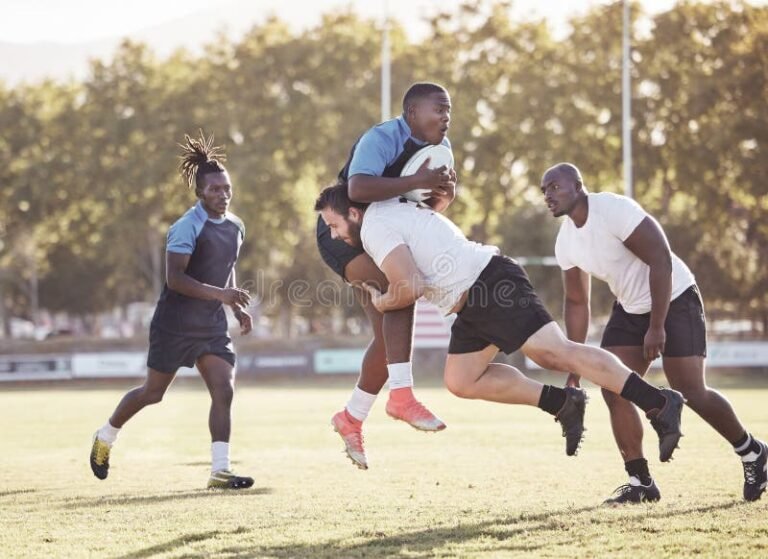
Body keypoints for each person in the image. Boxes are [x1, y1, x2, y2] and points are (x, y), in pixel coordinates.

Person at [315, 183, 686, 467]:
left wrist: (381, 300)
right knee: (461, 380)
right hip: (470, 300)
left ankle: (659, 401)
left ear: (353, 212)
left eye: (333, 225)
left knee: (555, 353)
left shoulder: (374, 226)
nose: (333, 235)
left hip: (489, 283)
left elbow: (408, 287)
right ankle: (562, 403)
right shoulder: (386, 212)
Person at [541, 162, 767, 503]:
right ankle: (641, 482)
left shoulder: (613, 209)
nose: (548, 195)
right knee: (612, 387)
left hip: (674, 297)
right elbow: (576, 302)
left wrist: (657, 326)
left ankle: (753, 452)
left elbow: (660, 259)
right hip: (630, 307)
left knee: (690, 390)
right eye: (544, 190)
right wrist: (574, 362)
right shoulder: (566, 242)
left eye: (554, 187)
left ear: (577, 185)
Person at [89, 131, 255, 490]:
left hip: (210, 326)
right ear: (200, 193)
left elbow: (226, 267)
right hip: (174, 324)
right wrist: (223, 296)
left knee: (224, 389)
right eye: (215, 190)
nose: (223, 195)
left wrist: (235, 306)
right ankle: (105, 436)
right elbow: (175, 279)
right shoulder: (185, 226)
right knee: (153, 393)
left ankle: (219, 469)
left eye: (227, 188)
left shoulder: (237, 226)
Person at [316, 82, 457, 469]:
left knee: (386, 337)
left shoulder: (439, 151)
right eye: (438, 109)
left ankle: (352, 417)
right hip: (344, 232)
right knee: (402, 289)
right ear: (412, 113)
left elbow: (431, 205)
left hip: (380, 234)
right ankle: (401, 396)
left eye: (449, 111)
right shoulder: (382, 137)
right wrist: (417, 183)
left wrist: (443, 194)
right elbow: (357, 187)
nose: (446, 117)